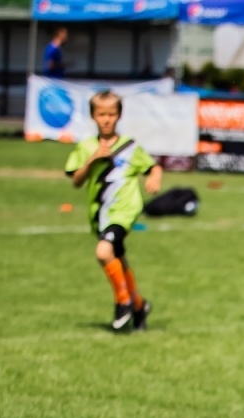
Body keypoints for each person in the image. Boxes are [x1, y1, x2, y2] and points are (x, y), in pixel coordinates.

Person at [65, 91, 162, 333]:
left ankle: (123, 302)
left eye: (111, 114)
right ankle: (139, 305)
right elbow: (76, 180)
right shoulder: (86, 146)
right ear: (93, 116)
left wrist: (153, 178)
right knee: (117, 258)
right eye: (101, 114)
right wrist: (92, 160)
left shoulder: (129, 146)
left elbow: (153, 166)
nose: (106, 119)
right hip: (101, 213)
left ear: (119, 115)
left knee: (103, 251)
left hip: (124, 210)